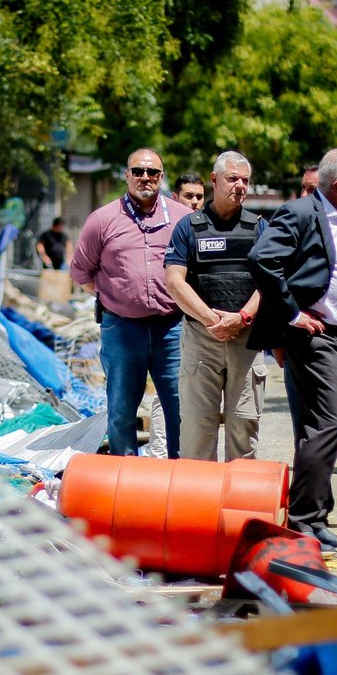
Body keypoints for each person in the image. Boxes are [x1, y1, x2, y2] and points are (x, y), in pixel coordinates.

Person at [248, 149, 337, 551]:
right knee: (331, 425)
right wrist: (291, 314)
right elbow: (262, 259)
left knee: (317, 429)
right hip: (315, 337)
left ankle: (314, 520)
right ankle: (303, 520)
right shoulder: (301, 212)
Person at [71, 149, 195, 457]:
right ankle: (125, 476)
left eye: (152, 172)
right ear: (127, 175)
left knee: (181, 406)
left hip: (172, 328)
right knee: (122, 408)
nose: (145, 178)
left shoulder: (182, 218)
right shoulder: (103, 219)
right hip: (123, 329)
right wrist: (115, 295)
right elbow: (81, 271)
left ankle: (181, 477)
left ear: (161, 178)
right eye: (138, 171)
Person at [164, 151, 265, 461]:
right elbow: (174, 281)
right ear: (214, 180)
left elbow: (271, 282)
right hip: (201, 340)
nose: (240, 186)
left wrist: (242, 316)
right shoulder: (188, 227)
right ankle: (197, 506)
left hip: (246, 340)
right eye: (232, 178)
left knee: (243, 429)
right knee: (197, 429)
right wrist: (212, 320)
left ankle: (236, 505)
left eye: (245, 180)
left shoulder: (259, 227)